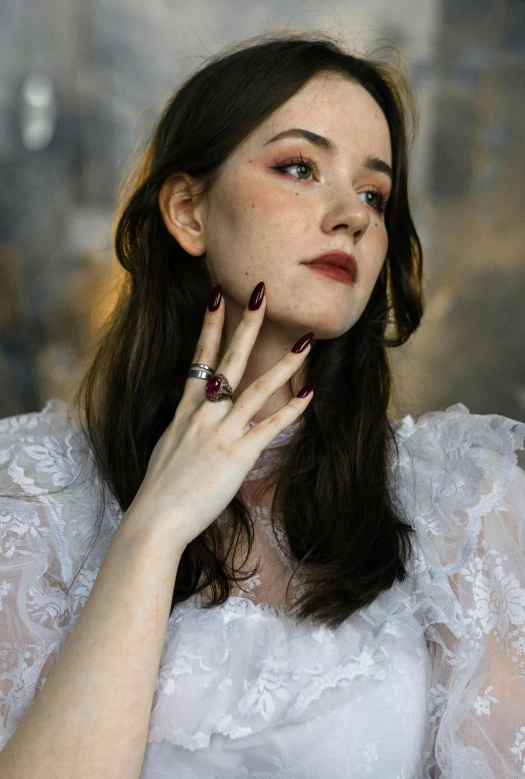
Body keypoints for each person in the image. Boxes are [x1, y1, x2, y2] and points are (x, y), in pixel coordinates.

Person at [0, 30, 524, 779]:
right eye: (300, 167)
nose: (351, 214)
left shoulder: (463, 505)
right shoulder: (32, 494)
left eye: (373, 193)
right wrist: (154, 528)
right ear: (187, 211)